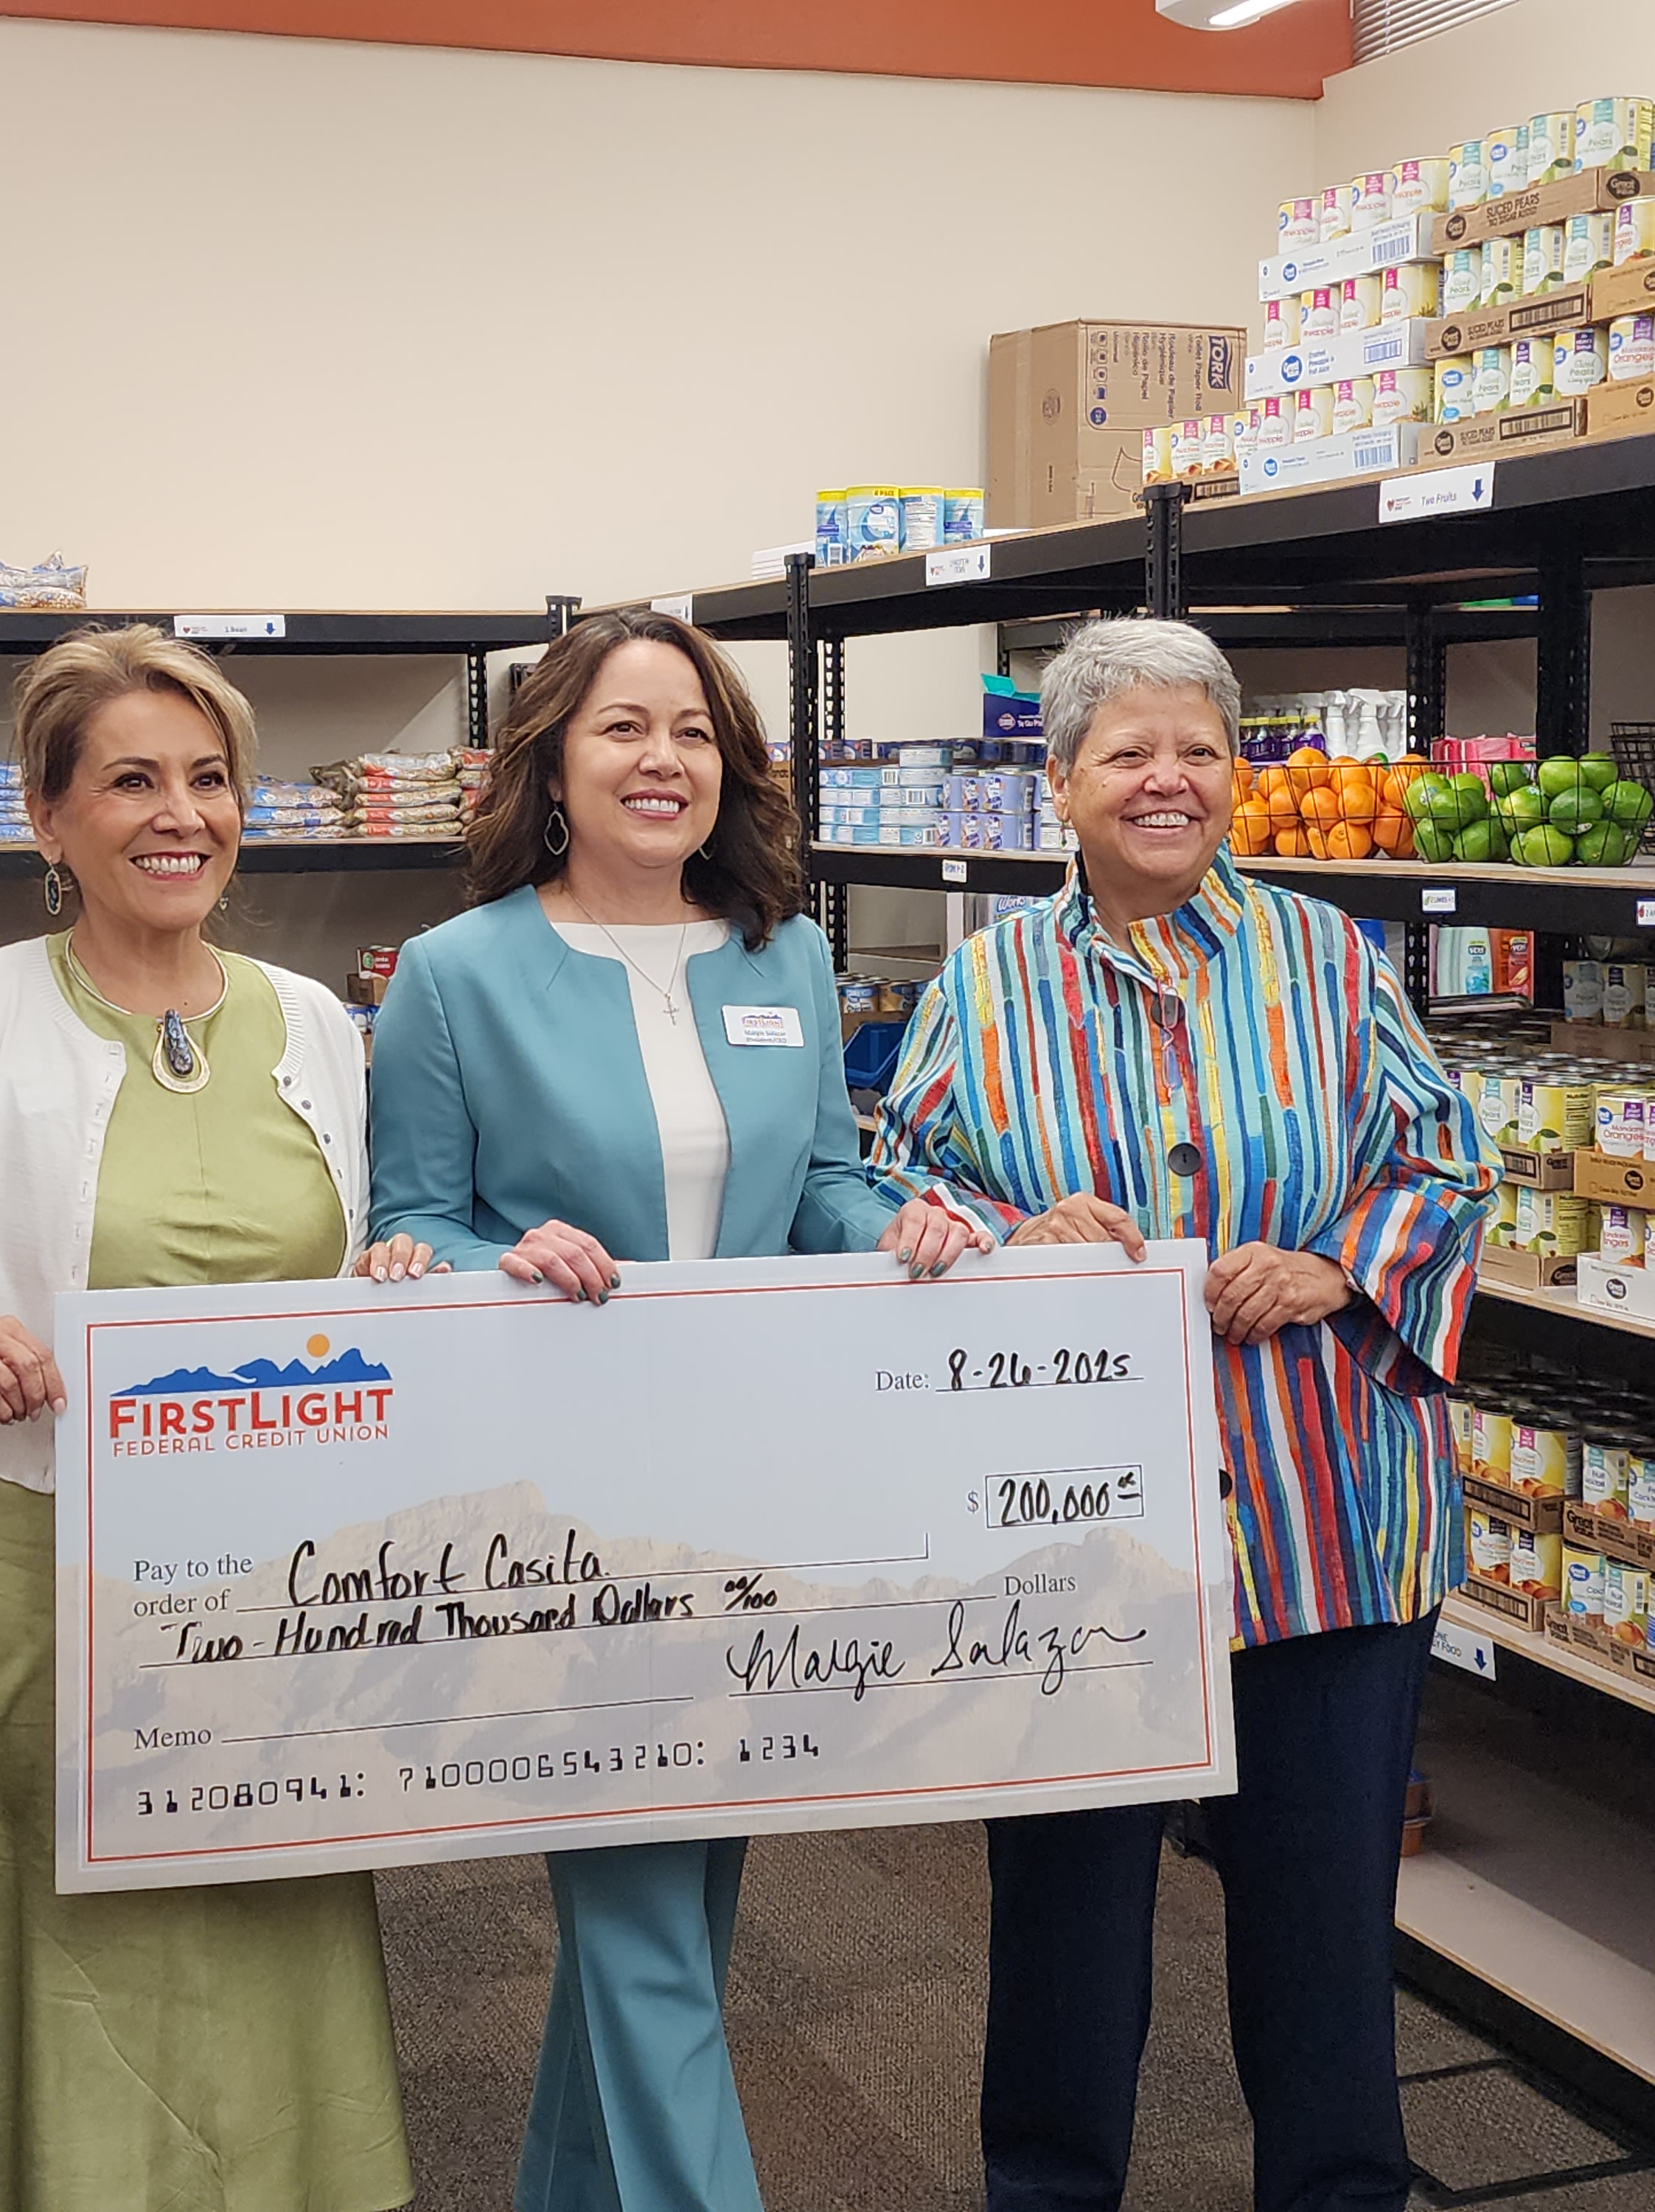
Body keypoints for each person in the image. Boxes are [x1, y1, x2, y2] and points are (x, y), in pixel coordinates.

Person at [0, 626, 412, 2212]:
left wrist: (392, 1271)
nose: (176, 814)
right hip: (17, 1563)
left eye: (208, 780)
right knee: (8, 1915)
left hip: (262, 1575)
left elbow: (349, 1260)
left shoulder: (316, 1026)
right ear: (45, 818)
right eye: (129, 780)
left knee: (257, 1898)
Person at [867, 618, 1498, 2212]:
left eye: (1198, 751)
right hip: (1077, 1534)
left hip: (1322, 1514)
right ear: (1061, 785)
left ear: (1235, 772)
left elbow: (1448, 1162)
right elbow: (896, 1182)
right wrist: (1006, 1234)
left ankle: (1338, 2188)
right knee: (1066, 1910)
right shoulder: (987, 981)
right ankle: (1050, 2185)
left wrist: (1334, 1264)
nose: (1167, 782)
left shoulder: (1328, 959)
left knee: (1320, 1911)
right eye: (1126, 754)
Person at [363, 608, 983, 2212]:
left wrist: (898, 1229)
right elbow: (408, 1222)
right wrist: (502, 1256)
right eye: (625, 728)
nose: (662, 760)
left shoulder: (783, 951)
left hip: (756, 1481)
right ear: (552, 763)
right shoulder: (452, 974)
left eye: (694, 732)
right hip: (561, 1498)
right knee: (639, 1907)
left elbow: (823, 1189)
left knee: (687, 1879)